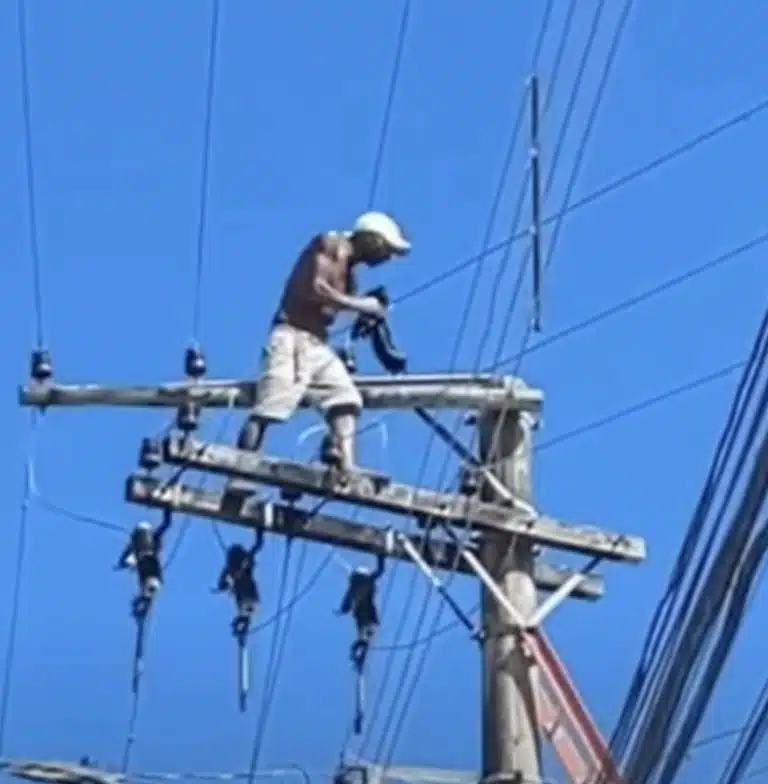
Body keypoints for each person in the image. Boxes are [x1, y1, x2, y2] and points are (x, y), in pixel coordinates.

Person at [236, 212, 411, 474]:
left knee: (345, 398)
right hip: (291, 338)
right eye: (387, 249)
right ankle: (242, 469)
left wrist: (366, 311)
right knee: (272, 405)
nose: (387, 258)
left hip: (316, 345)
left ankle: (347, 465)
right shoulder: (331, 245)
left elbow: (334, 307)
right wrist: (360, 305)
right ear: (373, 240)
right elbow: (316, 290)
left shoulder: (350, 272)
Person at [115, 512, 172, 618]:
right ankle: (144, 599)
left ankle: (144, 599)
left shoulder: (140, 542)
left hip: (148, 564)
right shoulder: (148, 539)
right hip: (149, 564)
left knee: (150, 582)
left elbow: (126, 557)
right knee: (150, 582)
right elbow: (165, 525)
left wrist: (123, 563)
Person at [336, 553, 386, 671]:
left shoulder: (357, 593)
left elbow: (347, 603)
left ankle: (362, 642)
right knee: (364, 622)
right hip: (363, 600)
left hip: (361, 600)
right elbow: (380, 571)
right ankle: (362, 642)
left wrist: (342, 610)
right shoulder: (363, 590)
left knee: (364, 621)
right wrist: (381, 556)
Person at [213, 530, 264, 637]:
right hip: (243, 591)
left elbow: (256, 548)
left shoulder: (241, 565)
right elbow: (256, 547)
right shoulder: (231, 568)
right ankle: (242, 623)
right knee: (245, 606)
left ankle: (243, 623)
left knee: (246, 606)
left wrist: (260, 533)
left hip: (246, 590)